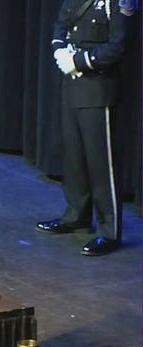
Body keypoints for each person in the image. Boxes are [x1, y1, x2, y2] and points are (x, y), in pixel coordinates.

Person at [36, 0, 130, 256]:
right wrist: (60, 51)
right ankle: (76, 215)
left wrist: (79, 60)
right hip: (73, 85)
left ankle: (109, 230)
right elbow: (61, 25)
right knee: (74, 157)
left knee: (102, 164)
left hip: (98, 87)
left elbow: (118, 45)